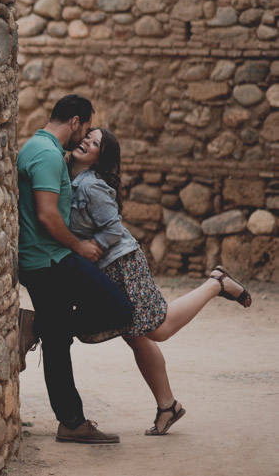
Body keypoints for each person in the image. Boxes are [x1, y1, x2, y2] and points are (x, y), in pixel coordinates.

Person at [67, 127, 252, 435]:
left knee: (158, 329)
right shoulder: (69, 175)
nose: (86, 142)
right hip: (107, 268)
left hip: (123, 264)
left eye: (95, 142)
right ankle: (168, 407)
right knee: (136, 336)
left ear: (101, 156)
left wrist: (89, 248)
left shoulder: (91, 185)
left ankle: (215, 283)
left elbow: (113, 229)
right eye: (87, 136)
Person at [17, 94, 134, 444]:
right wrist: (80, 246)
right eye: (84, 129)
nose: (82, 136)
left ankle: (71, 422)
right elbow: (47, 214)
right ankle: (37, 323)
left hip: (41, 259)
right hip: (50, 258)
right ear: (74, 121)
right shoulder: (49, 154)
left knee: (56, 340)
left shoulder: (35, 146)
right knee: (119, 308)